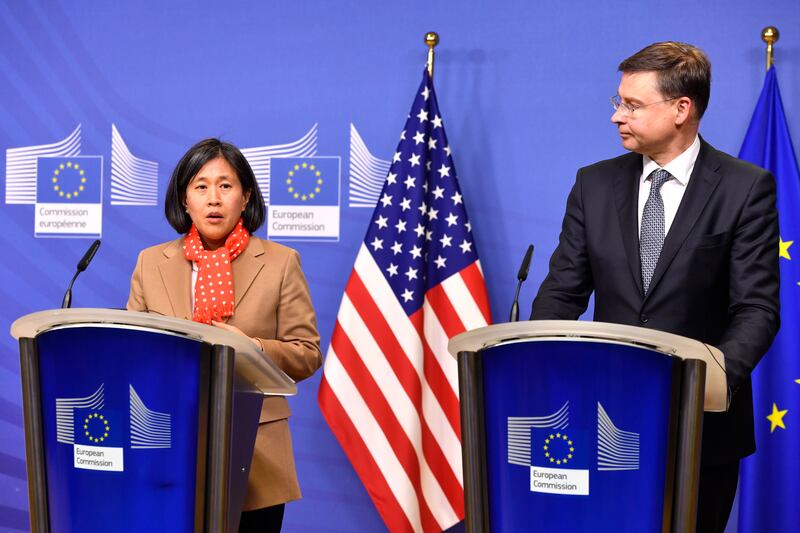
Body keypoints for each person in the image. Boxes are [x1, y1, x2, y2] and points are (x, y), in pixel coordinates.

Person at [530, 42, 779, 532]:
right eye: (618, 103)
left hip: (702, 430)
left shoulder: (744, 188)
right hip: (604, 420)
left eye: (633, 105)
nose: (617, 117)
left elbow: (756, 307)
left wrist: (708, 381)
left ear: (682, 109)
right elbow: (562, 292)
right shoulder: (593, 185)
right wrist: (541, 364)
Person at [127, 138, 322, 532]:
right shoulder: (151, 263)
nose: (213, 198)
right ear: (184, 200)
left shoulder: (281, 263)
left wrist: (253, 349)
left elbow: (307, 353)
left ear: (245, 196)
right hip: (169, 443)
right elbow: (134, 352)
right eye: (201, 186)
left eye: (225, 185)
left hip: (255, 451)